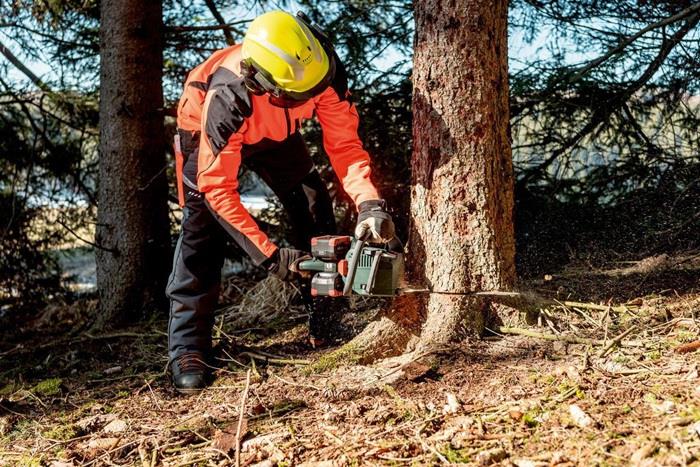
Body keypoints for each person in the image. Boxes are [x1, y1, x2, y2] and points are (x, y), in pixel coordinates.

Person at [167, 10, 396, 393]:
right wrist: (271, 257)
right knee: (200, 233)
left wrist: (368, 203)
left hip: (277, 132)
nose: (314, 98)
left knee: (313, 205)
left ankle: (327, 318)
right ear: (262, 83)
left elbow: (345, 145)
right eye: (301, 96)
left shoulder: (321, 69)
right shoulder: (228, 97)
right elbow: (217, 188)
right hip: (205, 134)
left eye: (315, 90)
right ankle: (188, 347)